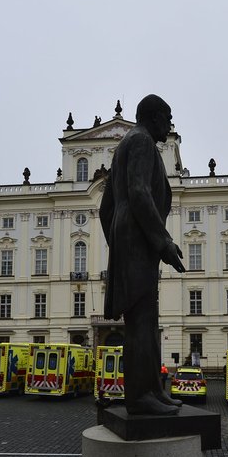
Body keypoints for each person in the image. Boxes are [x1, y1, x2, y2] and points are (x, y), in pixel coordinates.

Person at [100, 94, 186, 416]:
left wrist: (117, 242)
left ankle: (152, 390)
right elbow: (138, 192)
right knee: (140, 322)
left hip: (131, 239)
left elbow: (104, 208)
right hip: (138, 239)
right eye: (167, 117)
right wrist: (161, 242)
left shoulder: (125, 147)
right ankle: (139, 397)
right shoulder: (141, 143)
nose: (170, 124)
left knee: (148, 322)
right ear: (153, 117)